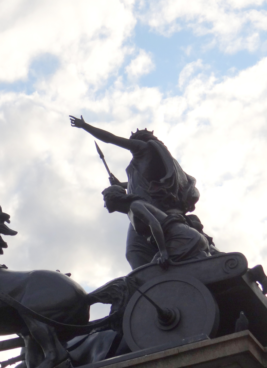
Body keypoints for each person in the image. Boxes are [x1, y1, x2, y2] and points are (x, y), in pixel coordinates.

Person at [70, 115, 203, 269]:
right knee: (138, 249)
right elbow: (143, 181)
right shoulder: (146, 160)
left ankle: (147, 280)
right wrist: (121, 184)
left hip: (145, 207)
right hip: (150, 206)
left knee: (135, 250)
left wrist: (85, 126)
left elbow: (110, 138)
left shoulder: (142, 148)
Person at [102, 185, 210, 266]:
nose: (104, 205)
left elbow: (155, 224)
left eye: (104, 200)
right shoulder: (130, 211)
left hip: (183, 239)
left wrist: (163, 251)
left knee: (154, 270)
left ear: (111, 197)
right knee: (150, 269)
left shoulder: (135, 206)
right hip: (179, 239)